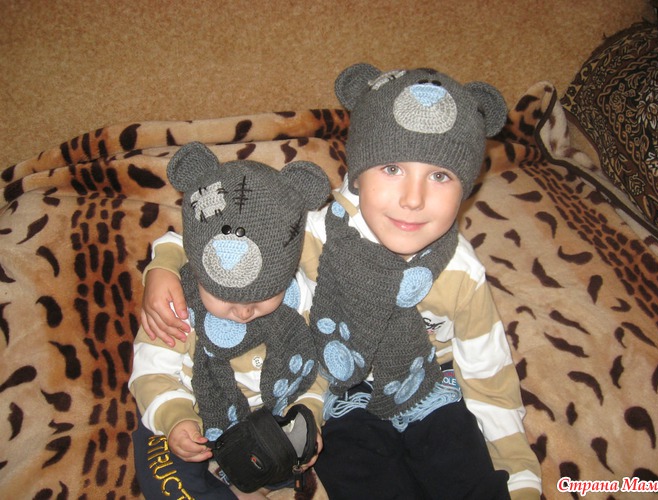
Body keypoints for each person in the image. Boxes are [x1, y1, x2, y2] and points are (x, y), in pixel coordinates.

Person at [142, 64, 543, 499]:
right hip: (337, 401)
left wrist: (521, 474)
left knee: (465, 472)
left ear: (466, 187)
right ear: (357, 172)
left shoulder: (461, 273)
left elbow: (489, 378)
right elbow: (224, 239)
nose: (413, 198)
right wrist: (163, 264)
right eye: (392, 168)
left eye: (440, 176)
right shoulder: (317, 231)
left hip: (429, 386)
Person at [129, 142, 330, 499]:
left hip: (271, 420)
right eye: (226, 298)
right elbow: (150, 375)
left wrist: (308, 413)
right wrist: (175, 419)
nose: (243, 311)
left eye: (262, 297)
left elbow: (317, 368)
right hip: (193, 412)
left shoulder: (300, 298)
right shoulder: (177, 305)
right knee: (160, 467)